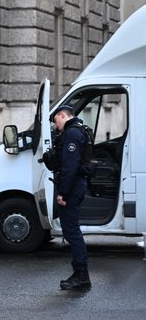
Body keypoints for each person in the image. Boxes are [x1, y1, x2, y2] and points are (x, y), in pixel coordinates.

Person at [50, 104, 93, 290]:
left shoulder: (73, 134)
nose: (55, 125)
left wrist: (63, 193)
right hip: (77, 185)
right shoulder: (80, 130)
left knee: (72, 232)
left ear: (62, 115)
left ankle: (81, 275)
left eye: (55, 121)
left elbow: (70, 167)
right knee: (71, 230)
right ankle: (80, 273)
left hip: (72, 186)